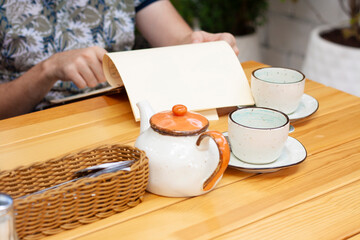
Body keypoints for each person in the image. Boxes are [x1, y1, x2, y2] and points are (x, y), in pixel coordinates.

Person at [0, 0, 239, 120]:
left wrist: (199, 44)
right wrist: (47, 70)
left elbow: (179, 39)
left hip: (121, 115)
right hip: (33, 127)